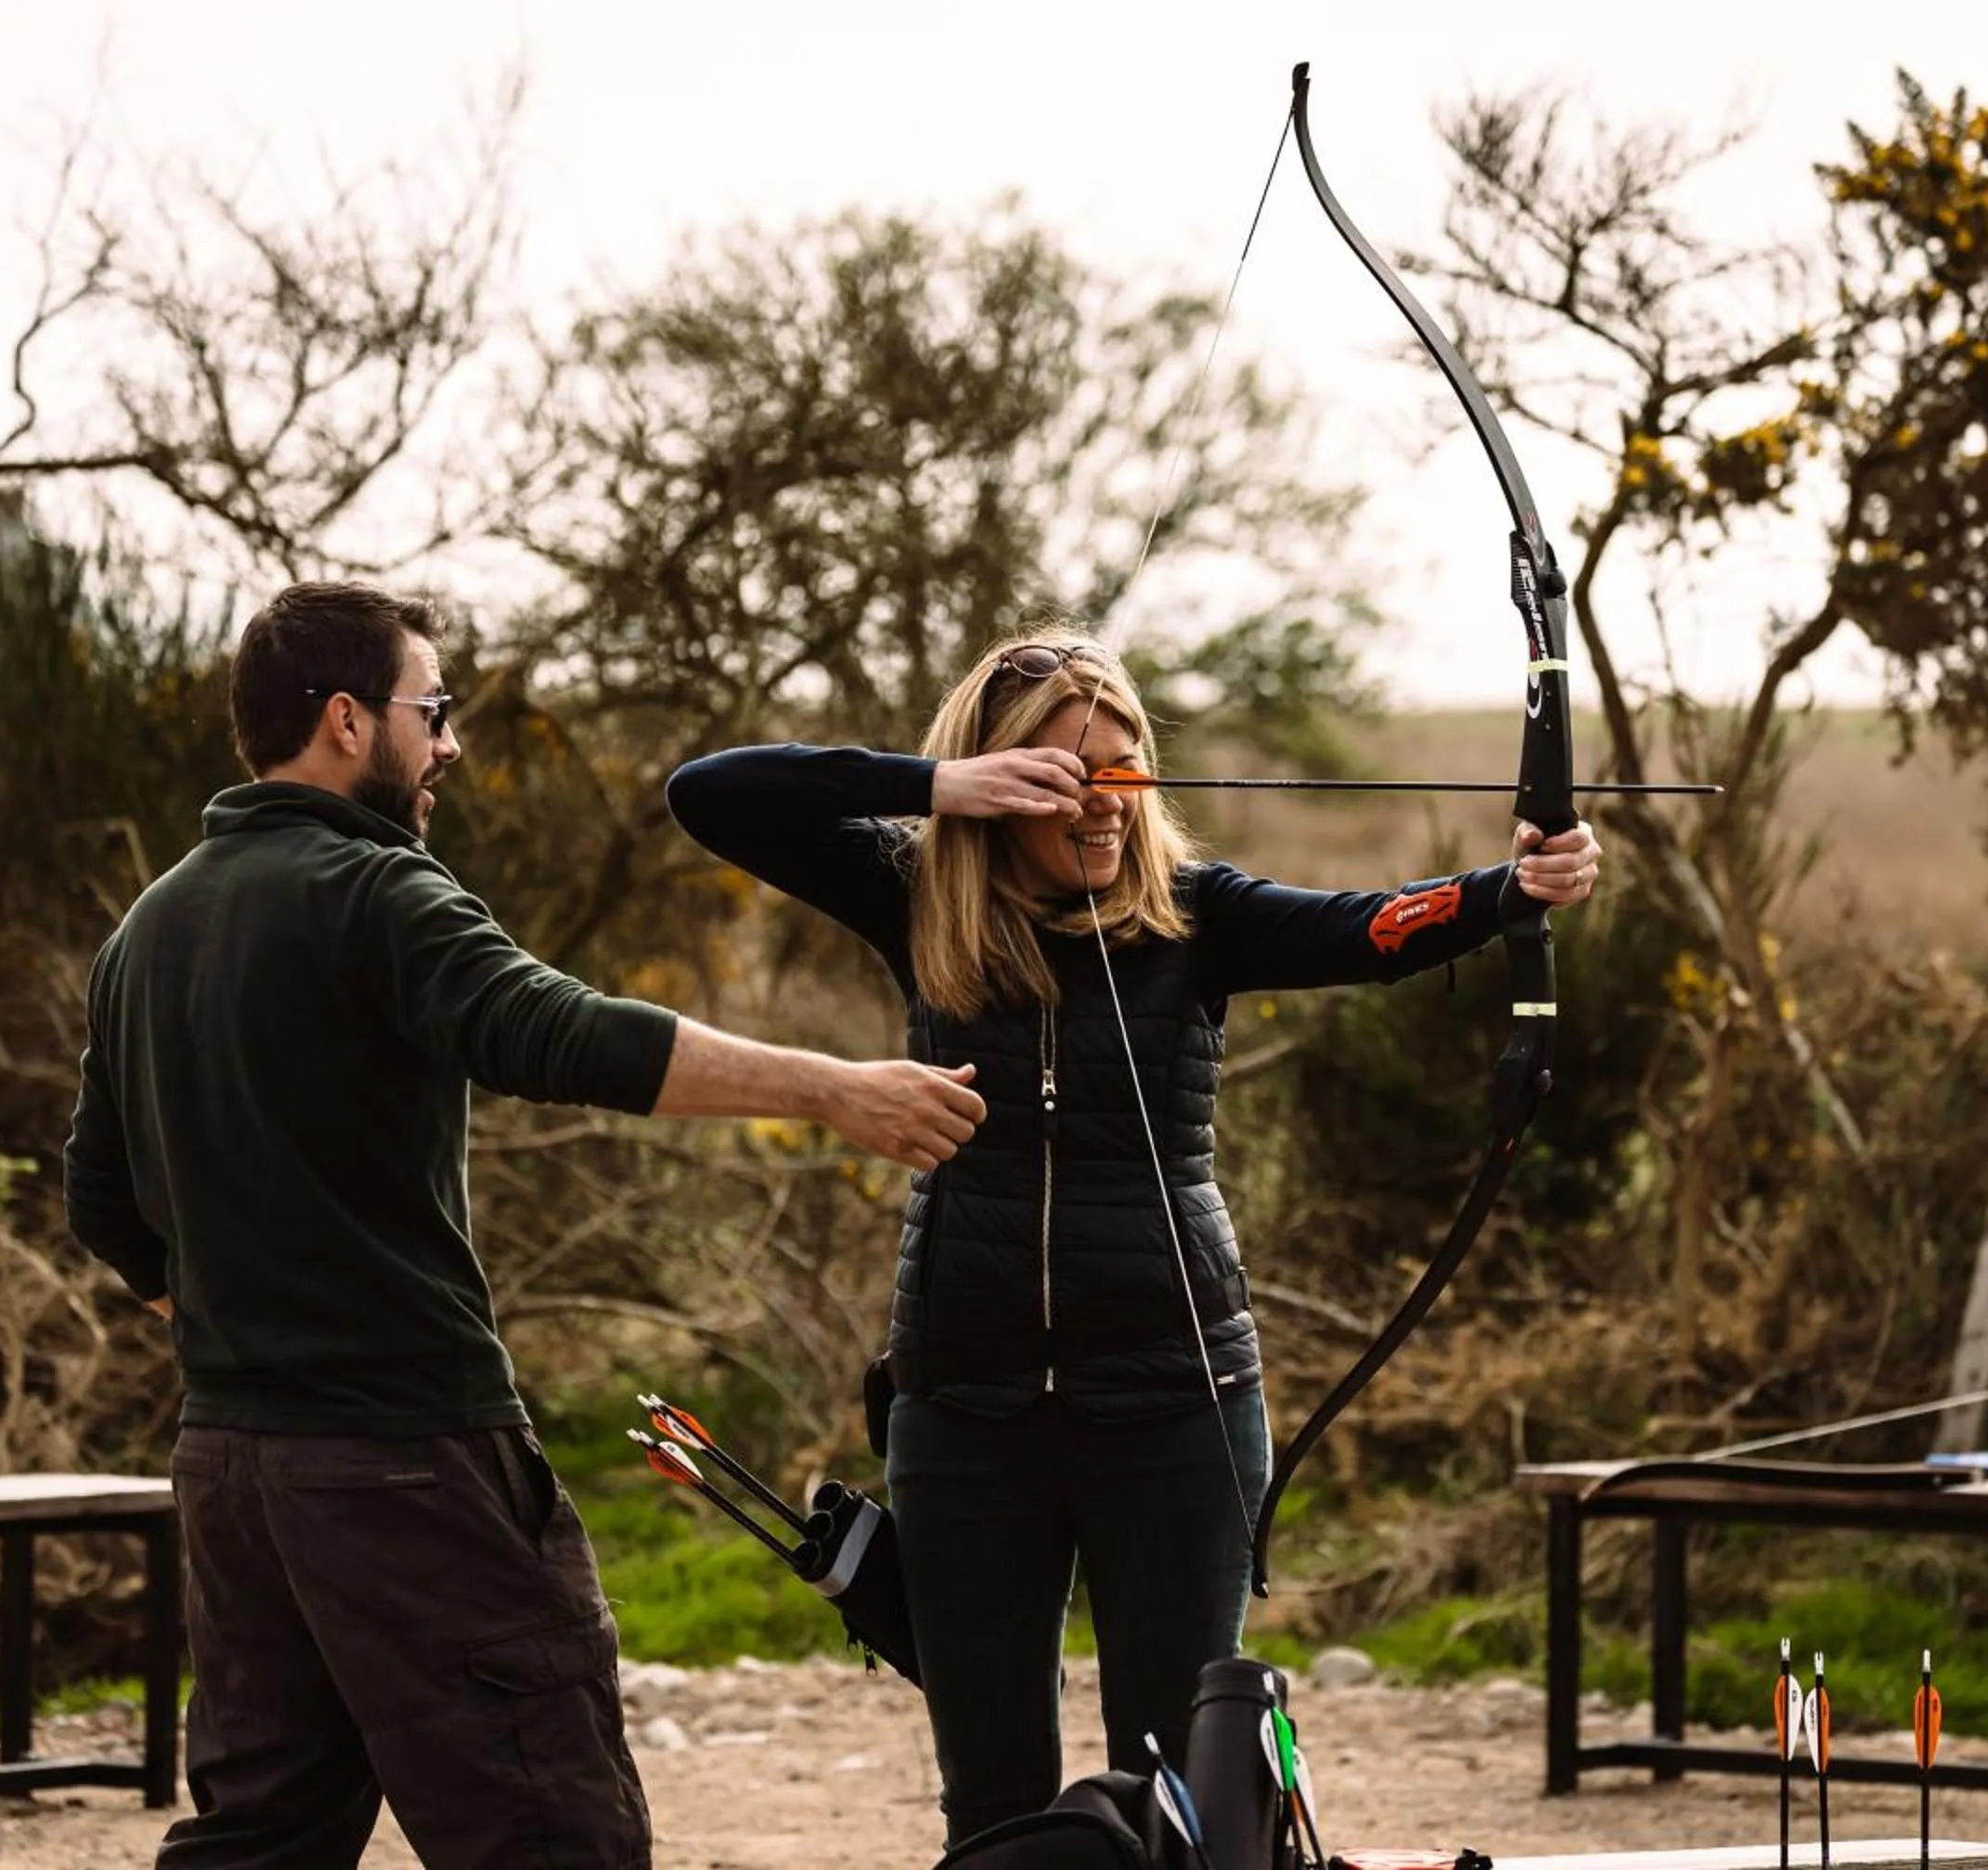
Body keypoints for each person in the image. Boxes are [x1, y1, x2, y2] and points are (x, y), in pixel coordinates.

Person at [63, 580, 987, 1870]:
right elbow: (560, 1033)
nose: (449, 744)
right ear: (345, 720)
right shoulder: (377, 891)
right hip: (407, 1458)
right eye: (430, 712)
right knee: (554, 1831)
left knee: (259, 1839)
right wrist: (834, 1090)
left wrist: (239, 1323)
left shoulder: (147, 928)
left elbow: (98, 1199)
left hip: (231, 1472)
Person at [665, 631, 1604, 1844]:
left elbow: (1368, 928)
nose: (1106, 799)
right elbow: (713, 792)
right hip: (964, 1407)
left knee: (1180, 1803)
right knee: (992, 1804)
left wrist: (1511, 891)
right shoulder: (918, 897)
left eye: (1125, 766)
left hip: (1175, 1405)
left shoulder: (1199, 916)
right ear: (1001, 787)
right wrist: (939, 784)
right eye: (1067, 774)